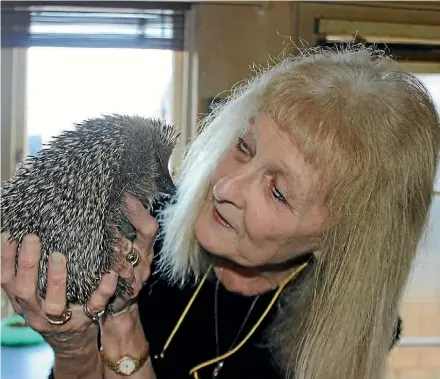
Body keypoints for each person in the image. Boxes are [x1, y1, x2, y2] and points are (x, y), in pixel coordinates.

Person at [1, 44, 439, 379]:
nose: (224, 185)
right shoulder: (142, 233)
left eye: (279, 192)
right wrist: (74, 347)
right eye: (244, 146)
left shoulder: (349, 337)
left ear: (341, 238)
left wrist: (121, 327)